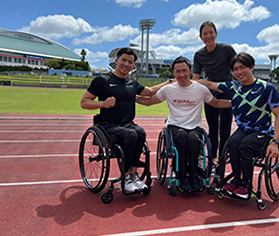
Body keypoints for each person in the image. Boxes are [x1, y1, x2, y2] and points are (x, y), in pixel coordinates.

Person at [80, 47, 172, 194]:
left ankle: (133, 174)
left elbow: (149, 92)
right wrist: (102, 104)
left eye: (130, 62)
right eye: (123, 60)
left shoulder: (132, 83)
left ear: (133, 65)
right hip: (107, 125)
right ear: (116, 61)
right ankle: (126, 176)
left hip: (128, 124)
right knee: (131, 135)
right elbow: (84, 102)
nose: (126, 64)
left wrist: (168, 82)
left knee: (140, 132)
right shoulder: (102, 81)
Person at [196, 52, 279, 199]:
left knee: (245, 145)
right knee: (232, 143)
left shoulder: (267, 88)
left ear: (252, 67)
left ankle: (246, 184)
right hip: (243, 130)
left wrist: (276, 141)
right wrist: (188, 80)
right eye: (235, 69)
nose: (239, 72)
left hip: (263, 132)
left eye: (242, 67)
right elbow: (211, 84)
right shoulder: (234, 87)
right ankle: (237, 180)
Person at [136, 56, 231, 192]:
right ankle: (183, 176)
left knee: (193, 140)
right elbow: (148, 101)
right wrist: (128, 95)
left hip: (194, 127)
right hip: (175, 126)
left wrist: (235, 103)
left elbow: (216, 103)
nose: (182, 74)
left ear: (190, 71)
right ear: (174, 73)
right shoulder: (168, 89)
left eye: (184, 70)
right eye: (178, 71)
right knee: (181, 137)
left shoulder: (200, 89)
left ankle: (194, 175)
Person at [193, 21, 237, 166]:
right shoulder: (199, 55)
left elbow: (237, 69)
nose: (208, 36)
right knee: (212, 129)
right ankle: (211, 159)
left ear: (216, 34)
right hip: (210, 93)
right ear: (201, 37)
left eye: (211, 32)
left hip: (227, 91)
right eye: (205, 34)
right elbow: (196, 78)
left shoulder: (227, 50)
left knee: (225, 129)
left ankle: (222, 160)